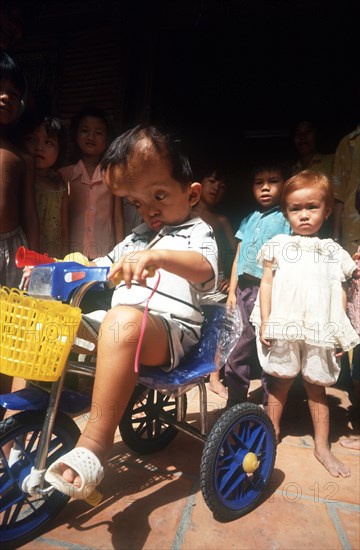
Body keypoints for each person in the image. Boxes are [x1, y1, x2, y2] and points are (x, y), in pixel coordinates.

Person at [43, 124, 218, 501]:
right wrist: (55, 267)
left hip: (170, 333)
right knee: (53, 319)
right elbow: (98, 266)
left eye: (158, 195)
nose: (148, 210)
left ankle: (95, 444)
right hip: (119, 326)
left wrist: (159, 257)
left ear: (191, 194)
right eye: (137, 203)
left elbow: (206, 271)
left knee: (121, 320)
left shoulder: (196, 231)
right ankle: (41, 414)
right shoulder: (137, 235)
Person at [252, 170, 360, 477]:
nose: (303, 215)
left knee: (316, 387)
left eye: (311, 207)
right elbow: (267, 283)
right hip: (284, 322)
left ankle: (322, 446)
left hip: (319, 328)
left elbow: (340, 291)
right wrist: (266, 319)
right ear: (286, 212)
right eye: (295, 209)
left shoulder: (333, 251)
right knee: (279, 382)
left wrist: (338, 332)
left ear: (327, 211)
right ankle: (270, 432)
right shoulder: (278, 244)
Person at [225, 161, 291, 408]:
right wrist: (232, 291)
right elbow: (238, 256)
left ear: (285, 185)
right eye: (259, 183)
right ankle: (235, 401)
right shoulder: (247, 220)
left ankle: (268, 404)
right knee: (237, 345)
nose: (265, 188)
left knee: (268, 346)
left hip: (270, 292)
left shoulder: (287, 218)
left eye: (273, 181)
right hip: (243, 290)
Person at [193, 165, 236, 399]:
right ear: (199, 184)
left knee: (219, 327)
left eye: (222, 187)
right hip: (185, 282)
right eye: (212, 181)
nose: (216, 188)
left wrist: (230, 278)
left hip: (214, 284)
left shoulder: (221, 220)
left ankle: (214, 376)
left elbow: (236, 251)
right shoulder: (184, 211)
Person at [59, 106, 124, 259]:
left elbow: (118, 219)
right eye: (85, 130)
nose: (91, 137)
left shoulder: (113, 175)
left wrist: (121, 254)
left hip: (104, 256)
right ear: (75, 135)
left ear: (107, 140)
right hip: (71, 255)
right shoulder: (64, 175)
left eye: (98, 132)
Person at [0, 50, 39, 289]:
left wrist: (33, 259)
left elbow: (29, 212)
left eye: (14, 94)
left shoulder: (22, 156)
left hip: (13, 250)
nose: (5, 97)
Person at [22, 114, 69, 257]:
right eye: (32, 139)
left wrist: (65, 258)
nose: (39, 147)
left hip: (53, 254)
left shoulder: (60, 185)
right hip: (24, 252)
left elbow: (65, 228)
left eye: (48, 142)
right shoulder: (21, 179)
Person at [292, 120, 334, 238]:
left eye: (308, 132)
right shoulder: (291, 170)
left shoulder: (332, 161)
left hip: (329, 224)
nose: (302, 137)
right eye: (298, 133)